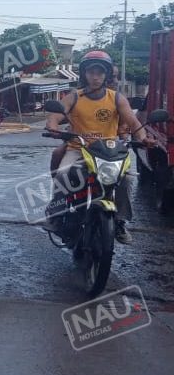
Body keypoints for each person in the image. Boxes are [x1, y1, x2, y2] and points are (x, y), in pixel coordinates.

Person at [44, 50, 154, 244]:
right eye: (91, 72)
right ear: (84, 74)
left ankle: (120, 222)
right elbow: (55, 116)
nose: (95, 77)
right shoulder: (74, 97)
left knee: (127, 179)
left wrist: (143, 138)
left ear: (106, 75)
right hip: (78, 148)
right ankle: (56, 214)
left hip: (109, 151)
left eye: (100, 73)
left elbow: (134, 123)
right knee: (63, 174)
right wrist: (53, 127)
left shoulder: (116, 98)